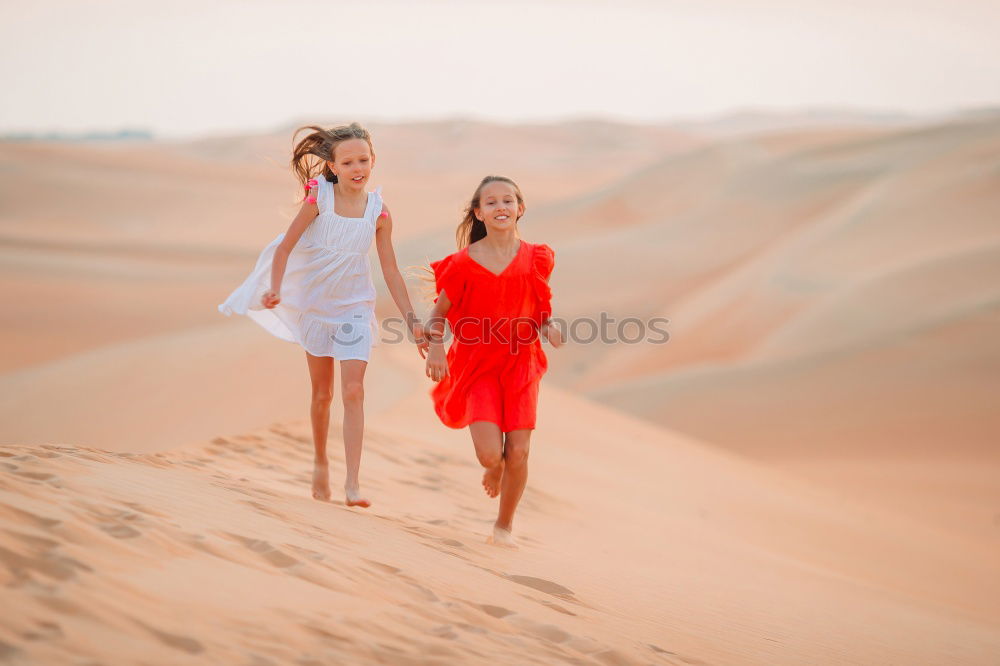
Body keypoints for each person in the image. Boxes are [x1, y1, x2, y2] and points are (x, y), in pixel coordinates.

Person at [219, 123, 427, 508]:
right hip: (315, 308)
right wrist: (276, 289)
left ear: (373, 161)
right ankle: (319, 463)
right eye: (348, 161)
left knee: (353, 391)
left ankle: (352, 484)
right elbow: (283, 249)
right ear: (333, 165)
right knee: (322, 394)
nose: (357, 167)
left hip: (354, 309)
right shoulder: (319, 200)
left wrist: (412, 320)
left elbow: (391, 271)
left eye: (363, 159)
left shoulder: (379, 213)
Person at [424, 175, 563, 547]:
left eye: (508, 200)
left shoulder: (538, 257)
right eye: (491, 202)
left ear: (520, 209)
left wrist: (549, 326)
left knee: (518, 450)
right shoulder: (462, 264)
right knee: (491, 455)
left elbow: (539, 307)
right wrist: (436, 347)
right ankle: (495, 470)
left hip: (521, 363)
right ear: (478, 212)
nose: (500, 207)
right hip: (476, 363)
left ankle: (503, 528)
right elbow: (436, 316)